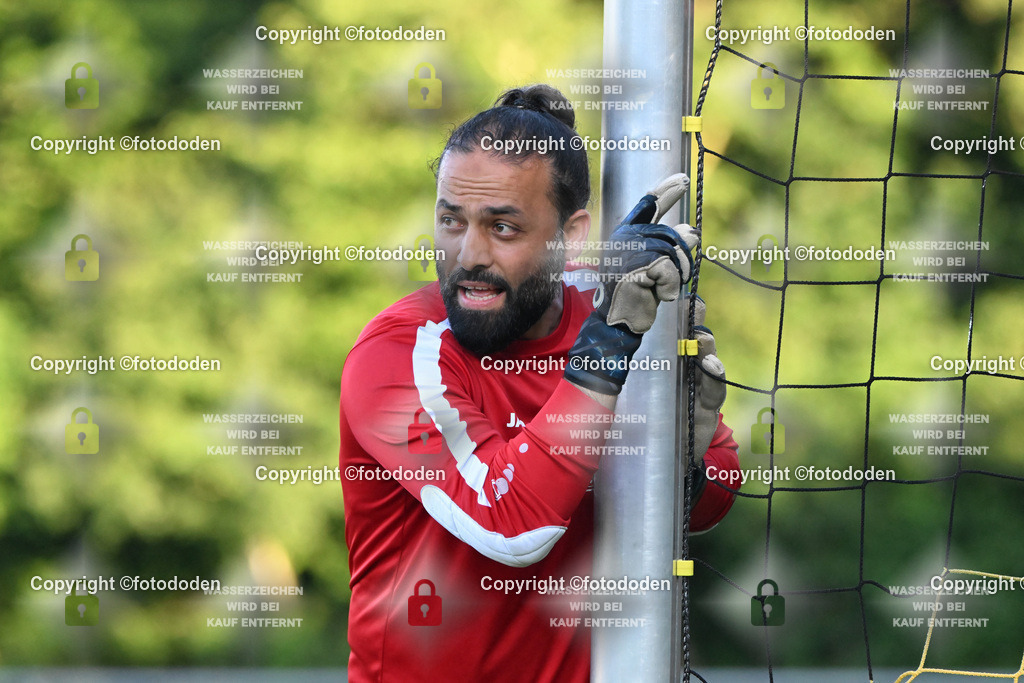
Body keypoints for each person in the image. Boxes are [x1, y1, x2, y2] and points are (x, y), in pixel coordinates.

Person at [339, 84, 740, 682]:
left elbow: (717, 495)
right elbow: (513, 526)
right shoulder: (397, 354)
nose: (468, 254)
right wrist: (608, 346)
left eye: (503, 228)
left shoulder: (608, 302)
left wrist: (681, 463)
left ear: (571, 236)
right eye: (451, 220)